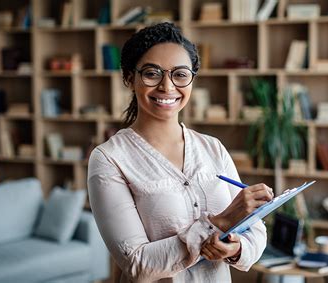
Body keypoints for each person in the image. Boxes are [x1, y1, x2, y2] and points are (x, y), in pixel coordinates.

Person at [88, 22, 274, 283]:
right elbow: (137, 264)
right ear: (130, 78)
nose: (167, 86)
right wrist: (221, 221)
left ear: (191, 80)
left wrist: (235, 248)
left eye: (180, 74)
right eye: (152, 73)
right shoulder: (109, 159)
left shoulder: (212, 148)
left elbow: (255, 231)